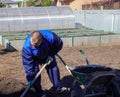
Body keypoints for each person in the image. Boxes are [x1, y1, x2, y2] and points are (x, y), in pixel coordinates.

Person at [22, 30, 66, 97]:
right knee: (34, 73)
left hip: (48, 53)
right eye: (32, 44)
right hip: (34, 57)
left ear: (41, 40)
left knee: (53, 69)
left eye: (36, 45)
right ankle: (39, 93)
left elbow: (59, 44)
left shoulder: (51, 37)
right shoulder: (27, 47)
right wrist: (30, 79)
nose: (33, 46)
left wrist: (51, 54)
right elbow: (28, 65)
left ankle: (58, 88)